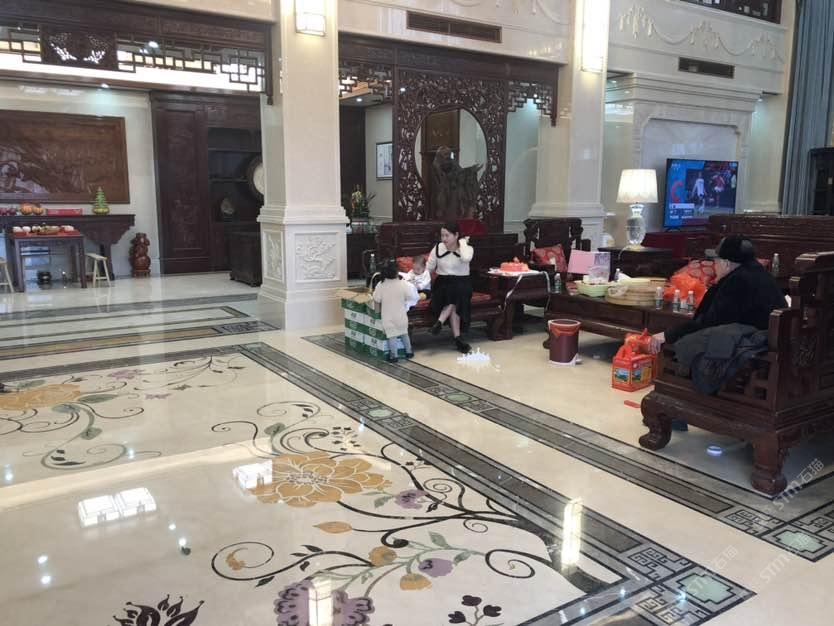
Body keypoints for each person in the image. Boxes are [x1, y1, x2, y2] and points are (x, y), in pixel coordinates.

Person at [650, 235, 786, 354]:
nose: (715, 266)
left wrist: (667, 335)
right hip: (770, 340)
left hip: (754, 344)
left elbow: (710, 323)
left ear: (726, 263)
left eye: (715, 261)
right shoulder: (761, 273)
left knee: (686, 344)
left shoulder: (737, 281)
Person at [427, 221, 473, 354]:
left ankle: (439, 323)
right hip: (443, 283)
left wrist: (462, 243)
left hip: (462, 282)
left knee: (456, 292)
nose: (444, 239)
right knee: (454, 294)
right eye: (442, 235)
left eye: (447, 235)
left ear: (456, 235)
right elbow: (429, 268)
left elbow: (466, 258)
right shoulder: (438, 248)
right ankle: (458, 339)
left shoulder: (467, 249)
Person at [373, 259, 418, 363]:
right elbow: (410, 296)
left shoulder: (381, 285)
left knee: (392, 337)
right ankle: (409, 352)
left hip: (388, 318)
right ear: (397, 271)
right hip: (402, 316)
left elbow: (376, 298)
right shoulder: (403, 283)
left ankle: (394, 356)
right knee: (404, 334)